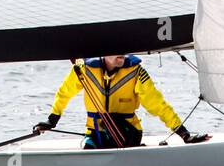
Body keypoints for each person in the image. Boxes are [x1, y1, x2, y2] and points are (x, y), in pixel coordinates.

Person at [34, 54, 210, 148]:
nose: (122, 53)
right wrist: (52, 120)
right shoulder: (84, 70)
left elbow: (157, 104)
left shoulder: (136, 72)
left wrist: (183, 134)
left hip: (128, 134)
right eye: (115, 49)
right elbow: (64, 93)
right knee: (90, 147)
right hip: (96, 135)